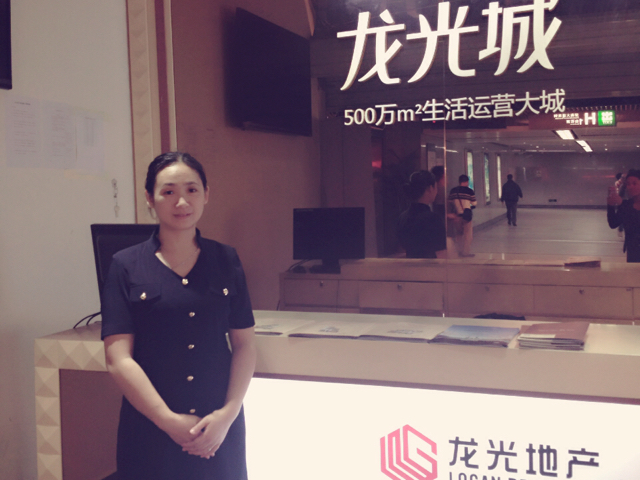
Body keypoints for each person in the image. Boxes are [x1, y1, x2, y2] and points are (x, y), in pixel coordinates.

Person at [101, 152, 257, 480]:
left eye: (192, 190)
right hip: (150, 427)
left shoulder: (226, 259)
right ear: (150, 198)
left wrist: (228, 415)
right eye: (169, 191)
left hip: (217, 429)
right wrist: (168, 420)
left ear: (206, 194)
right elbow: (118, 358)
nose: (182, 201)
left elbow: (244, 344)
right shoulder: (125, 265)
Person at [397, 170, 447, 258]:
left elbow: (403, 245)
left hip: (410, 264)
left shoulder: (403, 217)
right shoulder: (433, 219)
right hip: (430, 265)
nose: (437, 191)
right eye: (436, 187)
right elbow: (440, 253)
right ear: (430, 188)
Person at [607, 169, 640, 263]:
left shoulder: (625, 205)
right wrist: (610, 206)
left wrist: (622, 204)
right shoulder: (627, 204)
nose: (630, 187)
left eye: (634, 183)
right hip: (633, 251)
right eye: (628, 184)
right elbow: (613, 223)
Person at [448, 174, 477, 257]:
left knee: (458, 234)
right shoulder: (469, 191)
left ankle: (459, 251)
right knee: (468, 234)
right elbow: (474, 203)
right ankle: (465, 252)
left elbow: (450, 202)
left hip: (456, 215)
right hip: (466, 215)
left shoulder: (453, 191)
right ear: (467, 181)